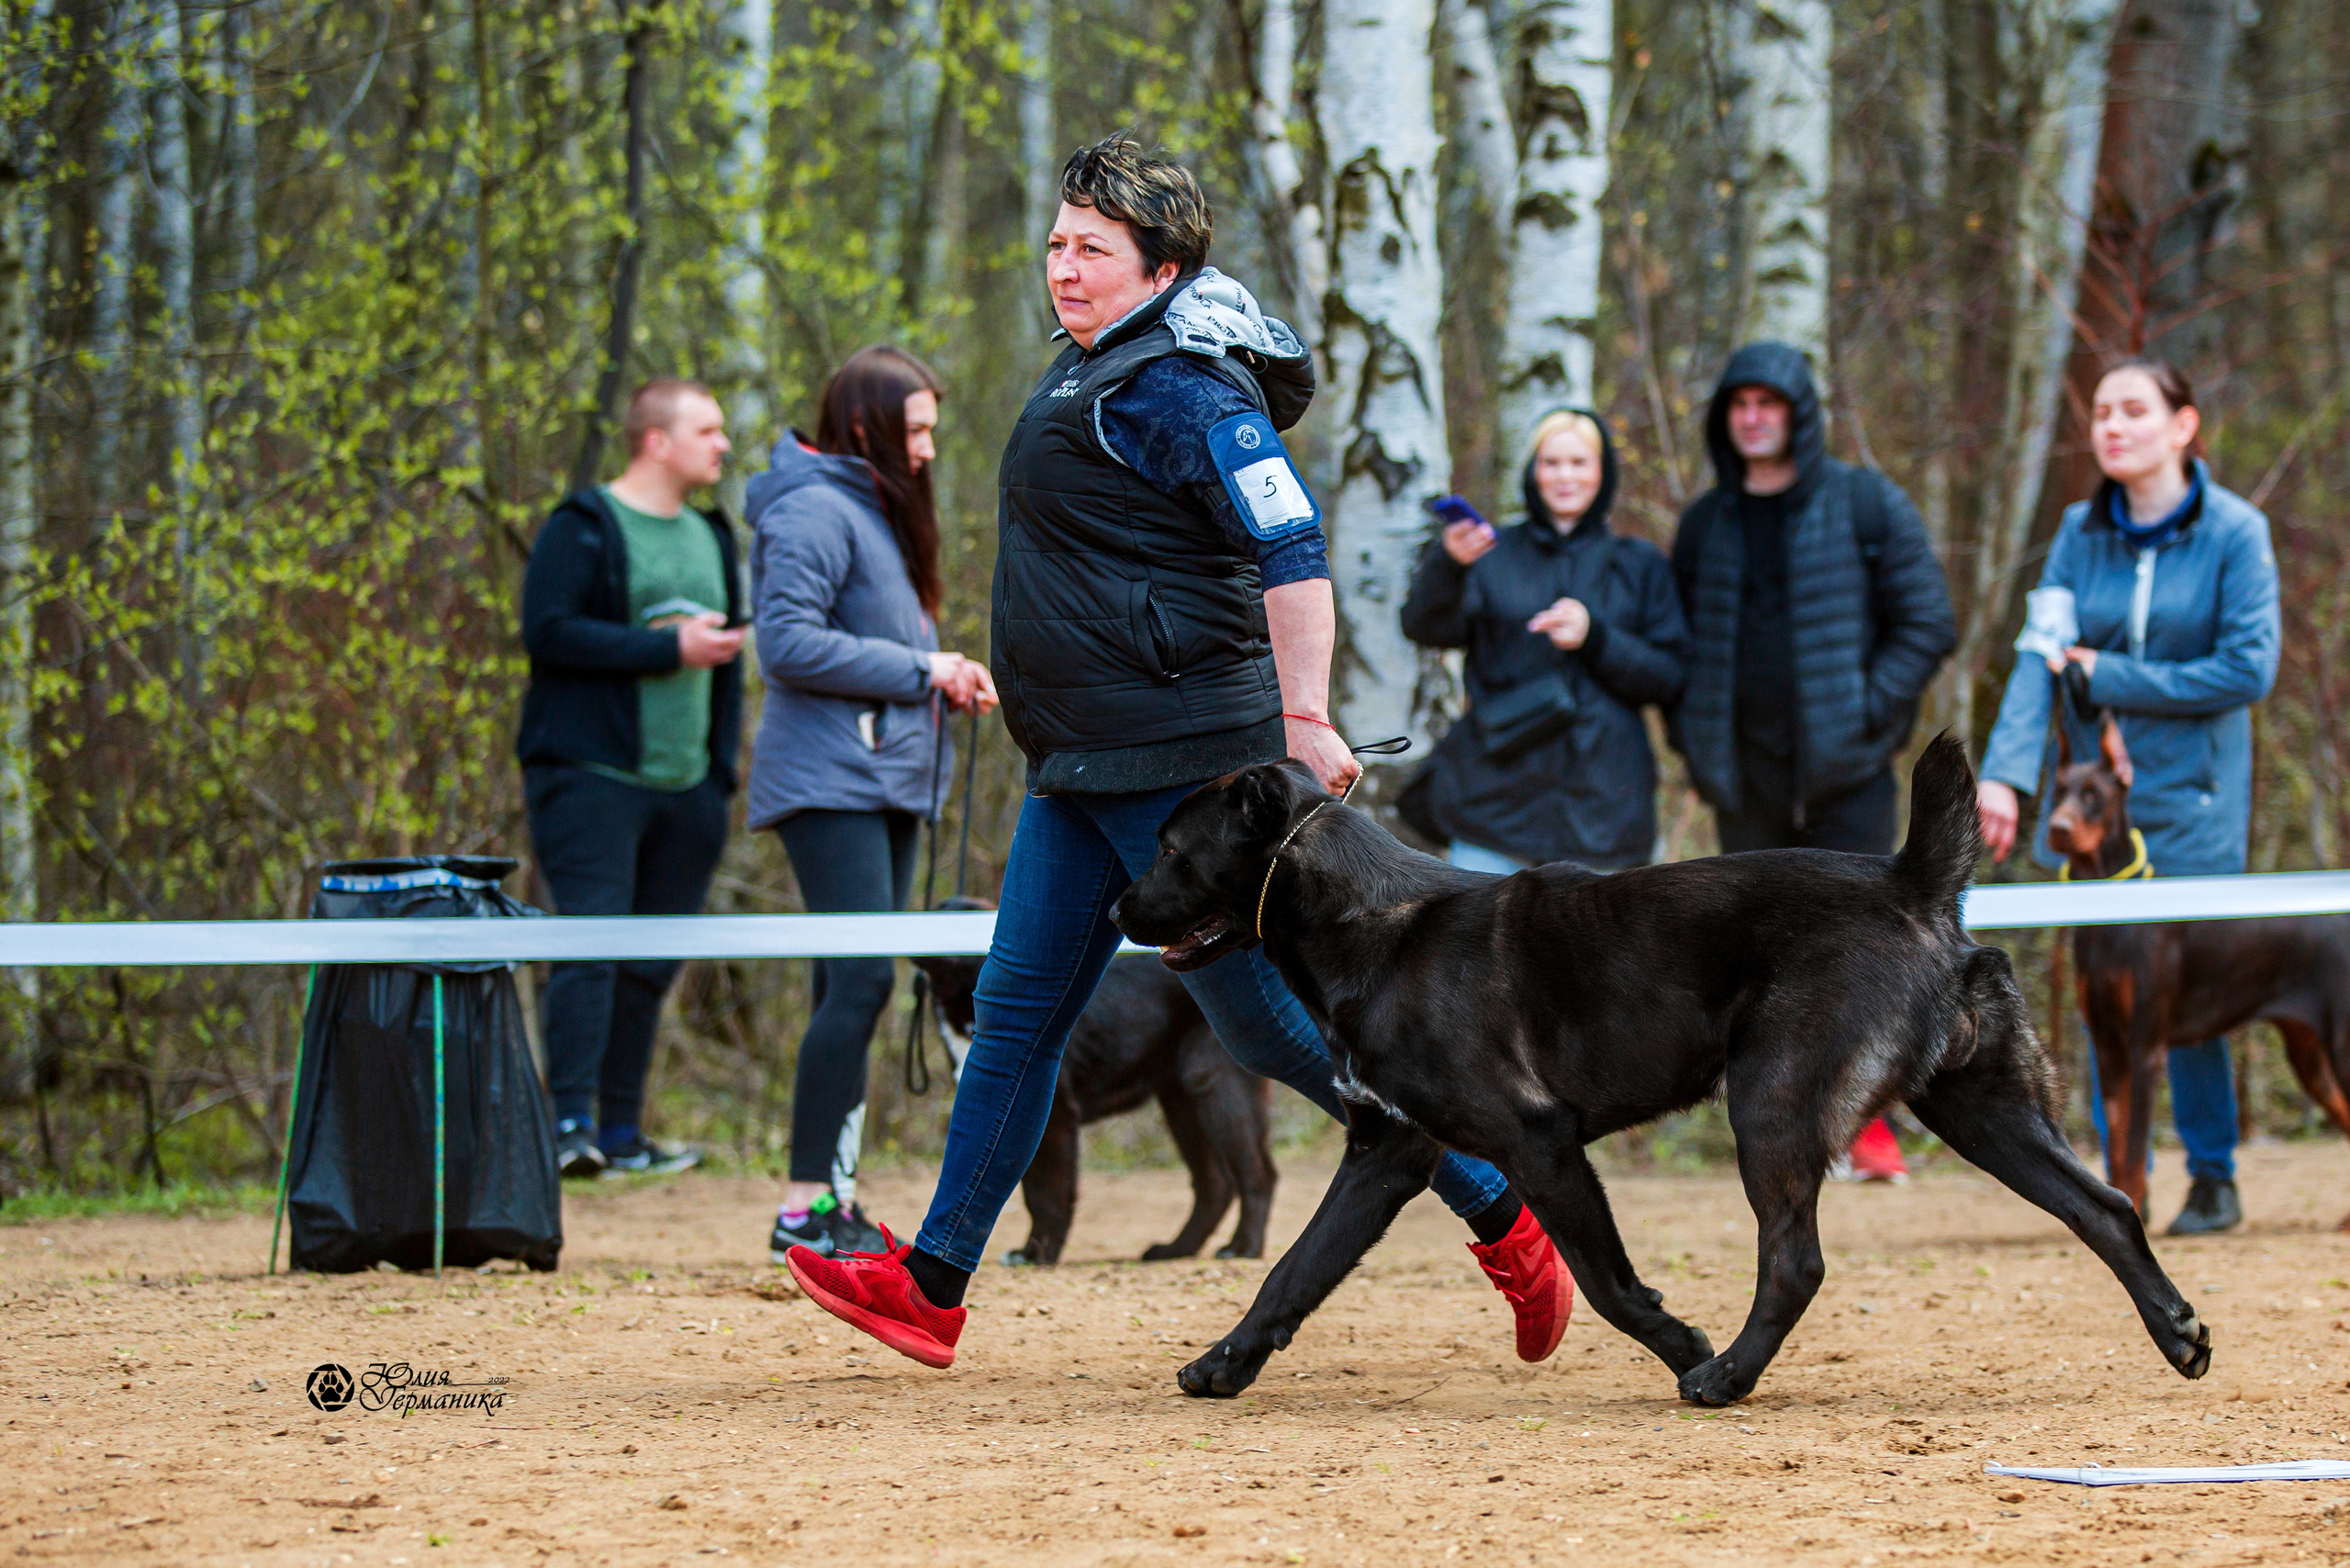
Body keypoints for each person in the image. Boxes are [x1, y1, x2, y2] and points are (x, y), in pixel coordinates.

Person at [784, 136, 1570, 1372]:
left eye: (1091, 248)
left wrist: (1306, 720)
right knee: (1016, 1016)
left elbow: (1293, 547)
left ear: (1162, 267)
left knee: (1270, 1034)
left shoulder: (1188, 389)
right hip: (1079, 766)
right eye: (1056, 243)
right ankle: (931, 1286)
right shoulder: (1085, 370)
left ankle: (1505, 1209)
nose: (1063, 266)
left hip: (1189, 767)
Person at [1977, 358, 2280, 1237]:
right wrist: (2006, 771)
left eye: (2134, 411)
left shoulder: (2236, 531)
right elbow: (2043, 655)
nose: (2111, 426)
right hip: (2095, 807)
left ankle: (2213, 1176)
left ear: (2183, 426)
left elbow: (2246, 669)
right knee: (2109, 986)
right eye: (2102, 411)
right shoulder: (2081, 530)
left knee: (2186, 990)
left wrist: (2112, 674)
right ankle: (2120, 1186)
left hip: (2194, 797)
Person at [1668, 342, 1956, 1182]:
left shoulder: (1864, 503)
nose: (1754, 417)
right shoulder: (1707, 523)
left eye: (1770, 402)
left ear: (1800, 411)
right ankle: (1782, 1127)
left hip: (1847, 774)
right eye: (1739, 404)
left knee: (1867, 949)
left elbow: (1927, 621)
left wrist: (1870, 716)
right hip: (1743, 778)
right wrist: (1697, 743)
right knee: (1753, 961)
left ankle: (1870, 1127)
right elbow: (1679, 646)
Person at [744, 346, 998, 1260]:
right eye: (915, 428)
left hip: (881, 778)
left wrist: (938, 677)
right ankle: (805, 1204)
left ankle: (829, 1201)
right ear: (864, 428)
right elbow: (786, 646)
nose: (928, 448)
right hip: (829, 782)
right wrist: (923, 669)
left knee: (850, 982)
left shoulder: (870, 510)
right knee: (857, 980)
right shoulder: (813, 509)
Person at [519, 379, 745, 1179]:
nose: (723, 444)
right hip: (591, 777)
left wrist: (721, 772)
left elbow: (727, 659)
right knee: (590, 949)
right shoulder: (583, 527)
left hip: (690, 787)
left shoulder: (714, 534)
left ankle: (621, 1133)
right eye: (708, 430)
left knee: (650, 961)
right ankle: (567, 1127)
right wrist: (666, 650)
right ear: (656, 439)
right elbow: (546, 633)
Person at [1401, 409, 1688, 872]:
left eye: (1579, 462)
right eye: (1551, 463)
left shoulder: (1639, 564)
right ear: (1533, 471)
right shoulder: (1492, 552)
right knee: (1477, 944)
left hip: (1604, 814)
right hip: (1494, 805)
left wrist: (1595, 638)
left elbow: (1669, 677)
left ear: (1603, 472)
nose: (1565, 476)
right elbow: (1426, 628)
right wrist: (1448, 566)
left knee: (1594, 947)